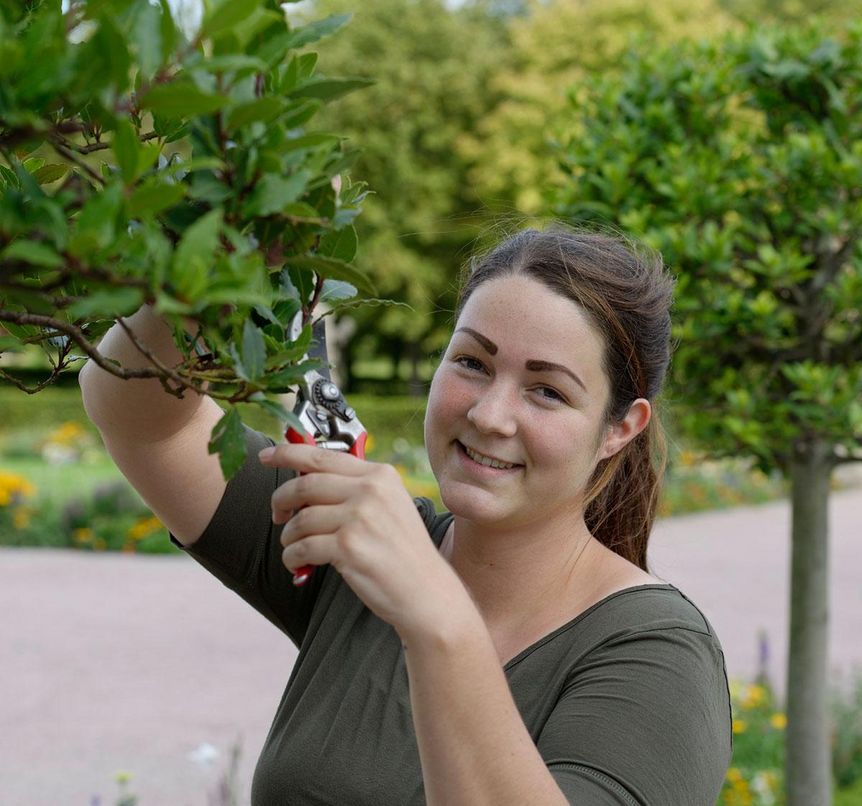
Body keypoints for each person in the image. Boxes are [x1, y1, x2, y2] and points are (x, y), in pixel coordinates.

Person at [79, 225, 732, 805]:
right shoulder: (355, 546)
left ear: (621, 427)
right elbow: (145, 424)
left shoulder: (656, 653)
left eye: (547, 390)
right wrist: (218, 261)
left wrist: (433, 613)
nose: (488, 415)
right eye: (472, 363)